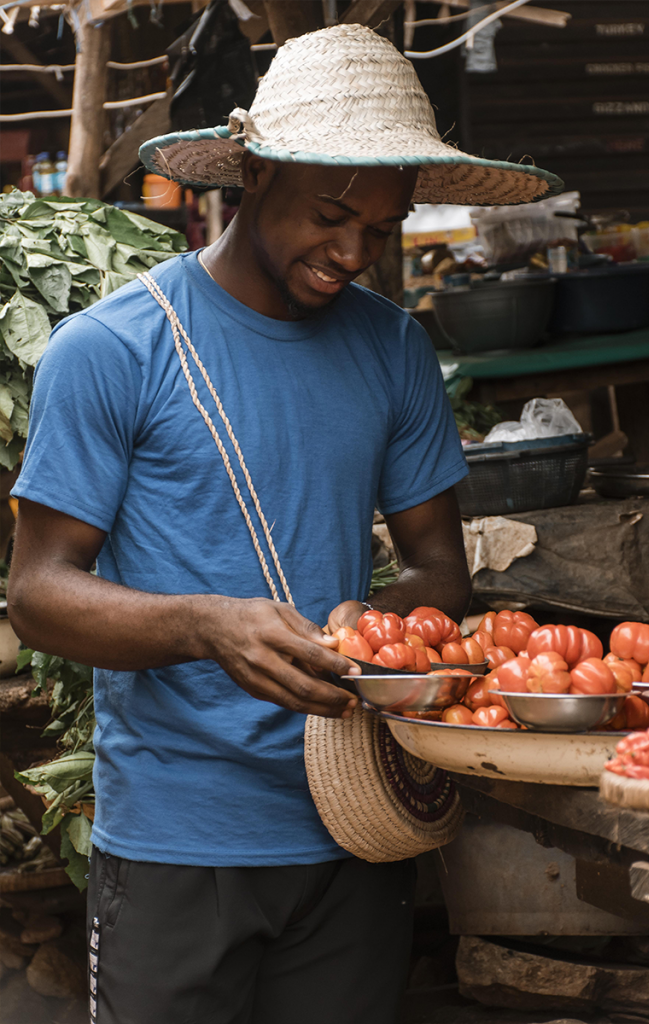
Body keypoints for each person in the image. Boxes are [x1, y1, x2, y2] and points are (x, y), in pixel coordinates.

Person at [8, 24, 561, 1024]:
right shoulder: (109, 352)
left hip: (357, 825)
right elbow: (38, 592)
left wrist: (375, 621)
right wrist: (202, 625)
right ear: (253, 171)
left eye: (382, 228)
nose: (352, 253)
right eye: (329, 214)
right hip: (180, 838)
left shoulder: (392, 349)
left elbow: (442, 569)